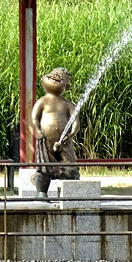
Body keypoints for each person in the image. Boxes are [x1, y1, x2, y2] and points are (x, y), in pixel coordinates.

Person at [32, 67, 80, 196]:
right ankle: (41, 193)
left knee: (70, 167)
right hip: (45, 140)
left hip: (64, 142)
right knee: (43, 167)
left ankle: (69, 193)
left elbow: (75, 122)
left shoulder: (67, 104)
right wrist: (37, 131)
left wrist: (71, 134)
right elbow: (34, 118)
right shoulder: (42, 101)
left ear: (66, 86)